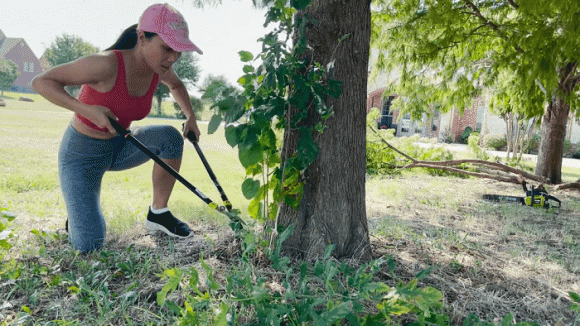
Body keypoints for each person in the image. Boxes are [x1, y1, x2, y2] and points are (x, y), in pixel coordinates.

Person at [32, 3, 202, 252]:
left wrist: (191, 117)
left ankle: (158, 213)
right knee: (90, 245)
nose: (173, 58)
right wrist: (87, 110)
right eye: (167, 48)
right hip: (82, 156)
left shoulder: (158, 68)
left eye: (178, 51)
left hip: (121, 146)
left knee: (170, 137)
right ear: (142, 38)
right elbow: (42, 82)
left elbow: (176, 87)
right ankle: (79, 220)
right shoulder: (106, 64)